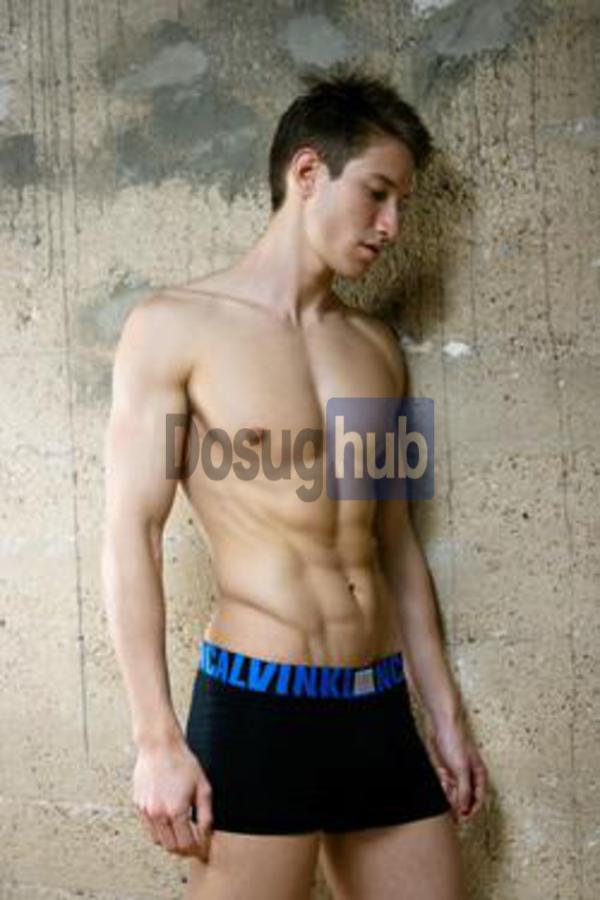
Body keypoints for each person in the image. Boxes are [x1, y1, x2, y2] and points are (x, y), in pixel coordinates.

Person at [101, 68, 488, 899]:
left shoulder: (375, 348)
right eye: (377, 194)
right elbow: (132, 533)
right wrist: (155, 739)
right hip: (258, 707)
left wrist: (445, 716)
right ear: (307, 171)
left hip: (377, 708)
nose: (391, 226)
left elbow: (395, 545)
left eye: (402, 204)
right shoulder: (173, 327)